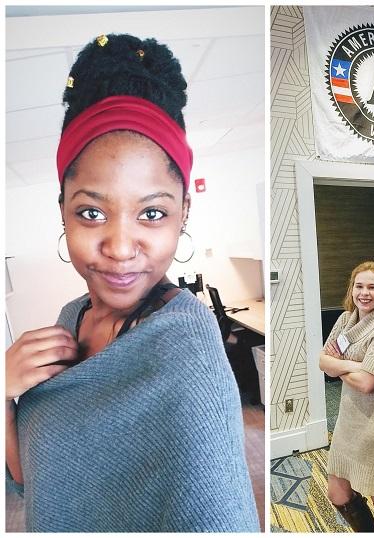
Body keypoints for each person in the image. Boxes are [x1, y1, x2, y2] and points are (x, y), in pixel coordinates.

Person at [4, 34, 259, 532]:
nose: (120, 247)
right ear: (63, 212)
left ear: (184, 212)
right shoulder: (71, 318)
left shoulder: (187, 353)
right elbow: (32, 481)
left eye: (152, 213)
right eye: (92, 212)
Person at [318, 261, 374, 532]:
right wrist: (355, 366)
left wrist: (339, 365)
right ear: (351, 289)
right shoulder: (345, 319)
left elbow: (367, 383)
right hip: (347, 423)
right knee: (337, 493)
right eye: (359, 286)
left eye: (372, 287)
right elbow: (322, 362)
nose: (364, 293)